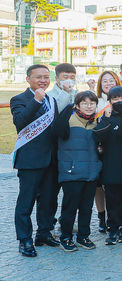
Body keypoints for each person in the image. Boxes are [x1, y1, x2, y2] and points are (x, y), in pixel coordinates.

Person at [11, 64, 60, 257]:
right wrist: (36, 101)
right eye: (39, 77)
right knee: (26, 201)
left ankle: (44, 233)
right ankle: (24, 240)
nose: (43, 80)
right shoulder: (19, 99)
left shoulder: (51, 99)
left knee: (49, 200)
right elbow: (20, 123)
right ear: (28, 79)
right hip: (30, 160)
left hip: (51, 160)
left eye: (46, 77)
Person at [53, 91, 102, 252]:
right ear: (77, 105)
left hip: (91, 172)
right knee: (70, 206)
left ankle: (83, 236)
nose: (89, 106)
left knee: (87, 207)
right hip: (71, 172)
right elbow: (58, 130)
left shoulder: (96, 122)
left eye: (92, 103)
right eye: (85, 103)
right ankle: (65, 237)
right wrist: (68, 105)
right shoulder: (68, 119)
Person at [94, 86, 122, 245]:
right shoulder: (105, 117)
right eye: (115, 99)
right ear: (109, 101)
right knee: (111, 197)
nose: (119, 102)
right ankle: (112, 226)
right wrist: (107, 119)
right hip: (111, 164)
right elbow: (98, 135)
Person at [93, 70, 121, 233]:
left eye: (111, 80)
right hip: (97, 150)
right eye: (105, 81)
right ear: (100, 84)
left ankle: (117, 217)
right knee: (98, 186)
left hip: (114, 151)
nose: (108, 83)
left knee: (114, 186)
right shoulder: (94, 102)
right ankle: (101, 216)